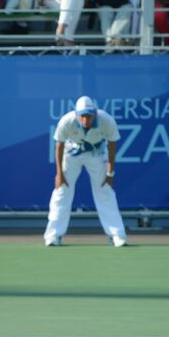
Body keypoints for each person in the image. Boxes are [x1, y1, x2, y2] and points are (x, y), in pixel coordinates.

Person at [45, 95, 127, 248]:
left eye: (89, 115)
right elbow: (59, 146)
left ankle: (116, 235)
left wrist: (110, 173)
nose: (85, 119)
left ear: (94, 113)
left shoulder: (106, 120)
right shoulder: (66, 121)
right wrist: (60, 174)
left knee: (105, 191)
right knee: (61, 191)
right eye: (82, 115)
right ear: (76, 114)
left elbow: (112, 145)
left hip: (97, 154)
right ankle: (53, 235)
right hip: (71, 154)